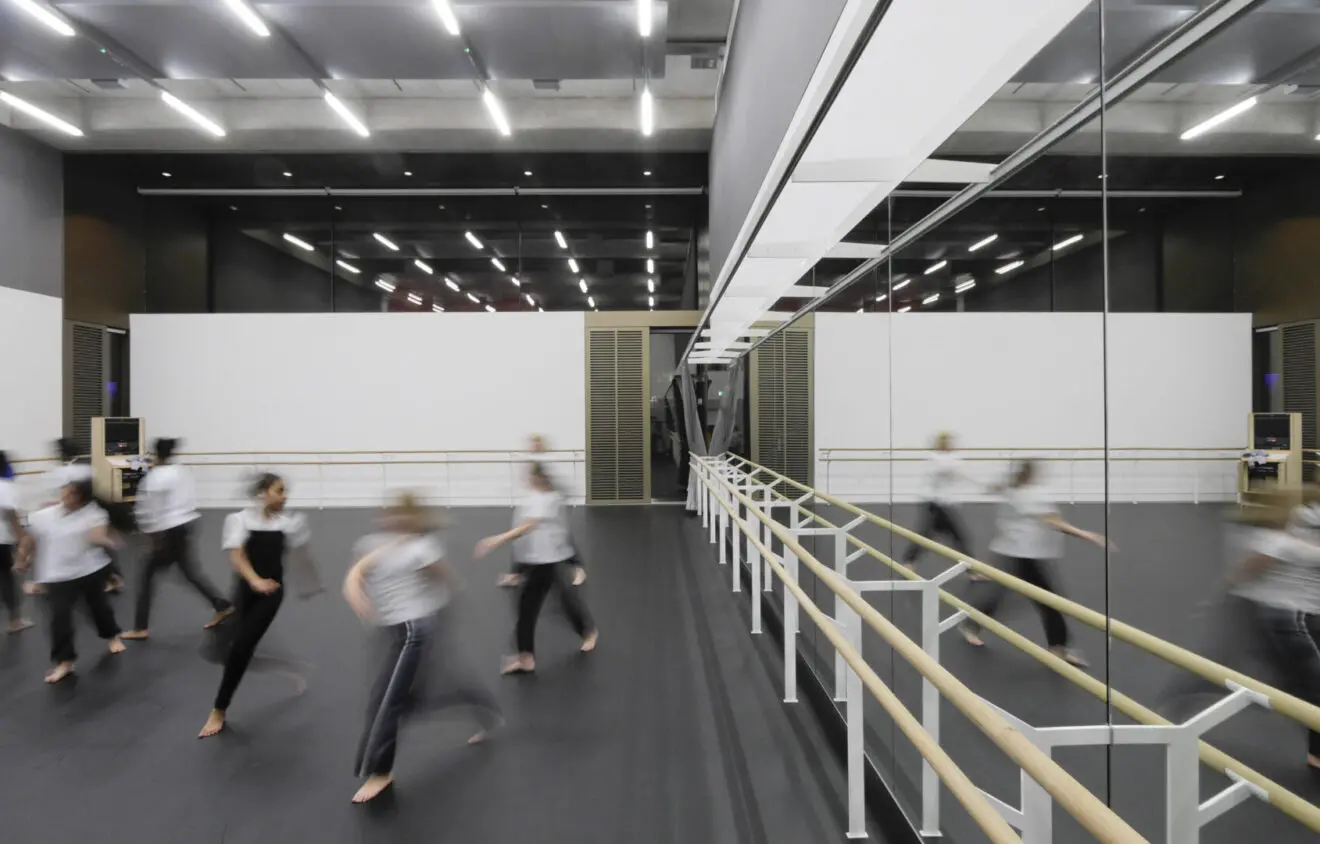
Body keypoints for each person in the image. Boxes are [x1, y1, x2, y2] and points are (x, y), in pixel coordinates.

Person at [344, 492, 502, 804]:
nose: (391, 519)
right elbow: (357, 573)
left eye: (400, 515)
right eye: (389, 514)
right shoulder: (371, 544)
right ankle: (485, 709)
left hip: (414, 631)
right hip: (393, 632)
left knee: (385, 701)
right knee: (414, 700)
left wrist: (438, 608)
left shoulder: (422, 548)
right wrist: (357, 596)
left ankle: (380, 772)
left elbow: (447, 580)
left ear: (412, 519)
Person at [199, 473, 316, 739]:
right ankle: (289, 668)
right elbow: (237, 556)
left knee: (241, 648)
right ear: (263, 493)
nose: (285, 496)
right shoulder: (239, 520)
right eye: (280, 491)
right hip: (244, 592)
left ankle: (219, 710)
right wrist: (254, 580)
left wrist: (309, 581)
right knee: (218, 652)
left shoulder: (289, 523)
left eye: (285, 491)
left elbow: (301, 553)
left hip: (271, 593)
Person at [960, 459, 1109, 667]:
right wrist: (1087, 535)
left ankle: (972, 625)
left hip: (1015, 551)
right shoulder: (1033, 495)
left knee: (1017, 595)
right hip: (1023, 554)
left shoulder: (1012, 489)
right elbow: (1055, 523)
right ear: (1032, 474)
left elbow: (992, 488)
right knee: (1048, 600)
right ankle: (1058, 647)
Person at [1225, 499, 1320, 770]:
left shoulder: (1289, 535)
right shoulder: (1286, 536)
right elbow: (1255, 563)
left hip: (1296, 613)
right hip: (1288, 615)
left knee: (1305, 681)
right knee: (1312, 684)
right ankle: (1316, 753)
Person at [477, 462, 598, 675]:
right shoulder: (537, 496)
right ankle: (583, 632)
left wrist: (496, 540)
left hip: (546, 560)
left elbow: (528, 525)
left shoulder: (545, 499)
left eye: (531, 477)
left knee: (532, 606)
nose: (527, 480)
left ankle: (529, 657)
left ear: (539, 478)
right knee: (545, 603)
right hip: (536, 559)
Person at [122, 438, 233, 640]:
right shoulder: (182, 471)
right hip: (185, 526)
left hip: (169, 531)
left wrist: (152, 537)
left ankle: (140, 627)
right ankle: (222, 605)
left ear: (156, 453)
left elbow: (150, 509)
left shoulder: (155, 477)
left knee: (147, 575)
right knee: (189, 572)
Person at [18, 479, 127, 683]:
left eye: (70, 494)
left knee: (99, 609)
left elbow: (97, 536)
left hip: (88, 570)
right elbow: (30, 539)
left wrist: (106, 539)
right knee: (60, 618)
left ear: (81, 498)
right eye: (64, 492)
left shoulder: (94, 513)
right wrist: (23, 559)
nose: (64, 497)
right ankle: (65, 662)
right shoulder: (46, 515)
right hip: (58, 574)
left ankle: (112, 636)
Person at [497, 434, 586, 588]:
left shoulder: (546, 461)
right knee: (523, 542)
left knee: (562, 540)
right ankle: (516, 574)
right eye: (533, 443)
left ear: (542, 445)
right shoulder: (532, 461)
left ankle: (578, 569)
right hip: (536, 506)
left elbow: (552, 484)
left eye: (537, 444)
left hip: (549, 508)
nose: (534, 446)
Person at [901, 432, 980, 571]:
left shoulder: (948, 459)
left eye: (949, 442)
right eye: (945, 442)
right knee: (957, 537)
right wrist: (957, 465)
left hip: (943, 504)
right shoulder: (933, 458)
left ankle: (908, 562)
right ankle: (972, 570)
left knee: (929, 537)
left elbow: (955, 470)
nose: (948, 445)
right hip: (935, 504)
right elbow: (946, 469)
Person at [0, 451, 34, 633]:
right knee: (6, 578)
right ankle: (15, 621)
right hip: (1, 540)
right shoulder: (4, 487)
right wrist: (23, 539)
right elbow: (11, 515)